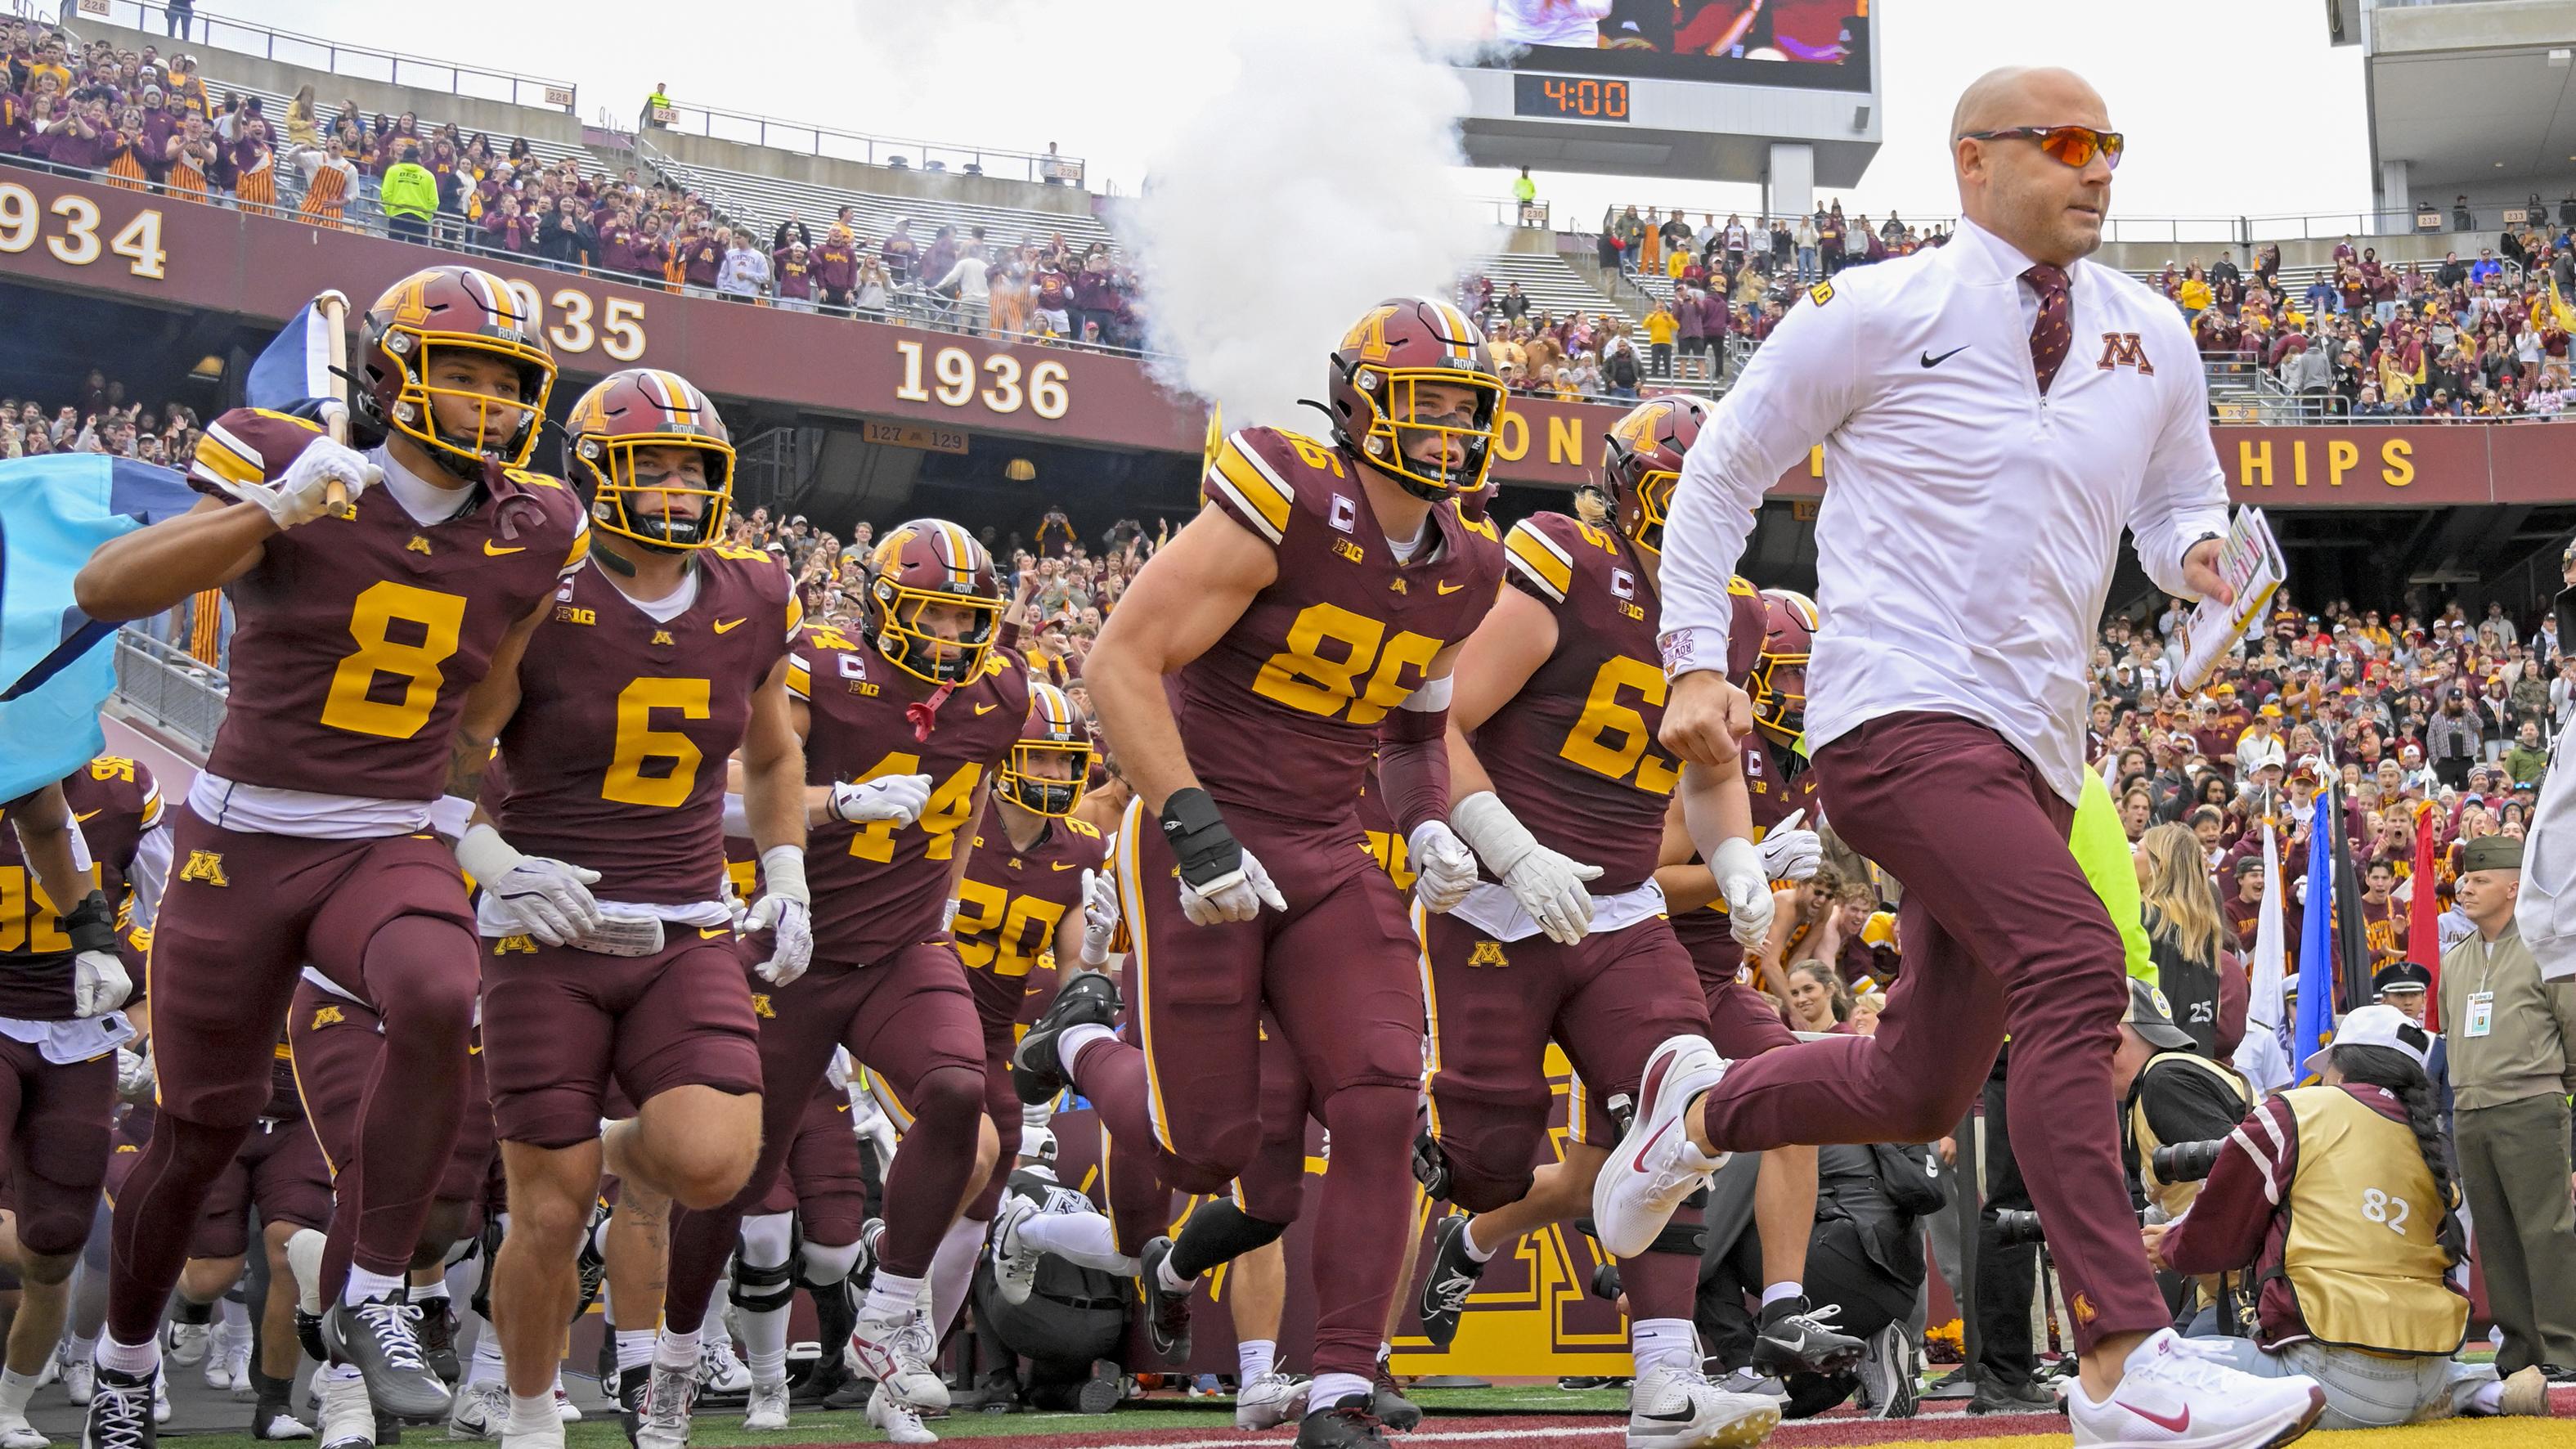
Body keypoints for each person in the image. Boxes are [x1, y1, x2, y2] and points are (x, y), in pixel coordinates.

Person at [1643, 67, 2327, 1449]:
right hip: (1895, 710)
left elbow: (2175, 504)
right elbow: (1721, 469)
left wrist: (2200, 559)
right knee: (2075, 963)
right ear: (1972, 162)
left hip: (2037, 742)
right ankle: (2122, 1359)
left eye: (2109, 144)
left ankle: (1698, 1113)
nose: (2098, 167)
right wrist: (1695, 658)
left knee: (1920, 1084)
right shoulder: (1874, 306)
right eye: (2066, 143)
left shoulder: (2149, 330)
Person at [68, 264, 588, 1449]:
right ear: (394, 375)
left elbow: (483, 710)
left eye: (509, 381)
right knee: (197, 1132)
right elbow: (104, 588)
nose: (491, 402)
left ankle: (373, 1293)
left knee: (440, 988)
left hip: (385, 832)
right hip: (245, 837)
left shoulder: (538, 522)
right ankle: (125, 1363)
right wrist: (271, 510)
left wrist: (475, 834)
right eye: (462, 373)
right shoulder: (285, 459)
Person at [1011, 296, 1507, 1449]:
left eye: (1463, 407)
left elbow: (1413, 733)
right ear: (1359, 405)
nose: (1447, 428)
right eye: (1426, 402)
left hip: (1326, 847)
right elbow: (1120, 660)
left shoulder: (1469, 566)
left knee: (1382, 1096)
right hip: (1204, 825)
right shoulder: (1286, 491)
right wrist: (1194, 829)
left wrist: (1428, 822)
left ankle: (1337, 1387)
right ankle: (1080, 1038)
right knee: (1207, 1150)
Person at [1417, 402, 1850, 1412]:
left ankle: (1668, 1375)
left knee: (1683, 1111)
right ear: (1625, 491)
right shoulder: (1566, 562)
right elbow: (1437, 720)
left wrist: (1737, 860)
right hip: (1498, 904)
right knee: (1489, 1165)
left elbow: (1709, 769)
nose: (1698, 515)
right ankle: (1468, 1231)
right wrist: (1509, 848)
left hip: (1623, 914)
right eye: (1677, 492)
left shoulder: (1731, 616)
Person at [465, 370, 805, 1449]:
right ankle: (530, 1415)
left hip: (687, 921)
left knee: (714, 1159)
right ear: (591, 474)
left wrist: (787, 872)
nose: (672, 487)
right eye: (646, 466)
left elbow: (774, 752)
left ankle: (602, 1144)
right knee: (547, 1210)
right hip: (547, 926)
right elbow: (456, 750)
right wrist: (493, 862)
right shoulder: (541, 589)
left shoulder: (754, 594)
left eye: (690, 469)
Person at [646, 519, 1028, 1447]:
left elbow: (972, 791)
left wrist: (944, 898)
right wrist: (841, 802)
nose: (952, 636)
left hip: (901, 946)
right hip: (795, 948)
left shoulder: (999, 691)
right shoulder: (822, 665)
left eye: (966, 617)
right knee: (735, 1172)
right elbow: (727, 792)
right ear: (884, 606)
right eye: (933, 614)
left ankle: (888, 1319)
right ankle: (675, 1355)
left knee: (958, 1090)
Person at [2152, 1006, 2552, 1426]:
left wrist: (2167, 1246)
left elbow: (2217, 1242)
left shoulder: (2298, 1111)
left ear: (2341, 1070)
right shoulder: (2429, 1145)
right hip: (2427, 1371)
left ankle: (2456, 1393)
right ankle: (2484, 1390)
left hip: (2326, 1378)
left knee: (2157, 1360)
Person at [0, 767, 153, 1447]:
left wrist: (145, 1035)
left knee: (57, 1242)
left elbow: (167, 914)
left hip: (79, 1025)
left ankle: (9, 1407)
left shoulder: (124, 793)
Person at [2437, 833, 2576, 1379]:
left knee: (2546, 1232)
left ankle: (2565, 1350)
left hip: (2529, 1106)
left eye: (2480, 880)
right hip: (2471, 1111)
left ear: (2514, 887)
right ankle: (2520, 1351)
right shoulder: (2456, 961)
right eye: (2465, 879)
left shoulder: (2548, 953)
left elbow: (2571, 1031)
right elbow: (2452, 1034)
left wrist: (2545, 1084)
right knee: (2493, 1236)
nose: (2465, 889)